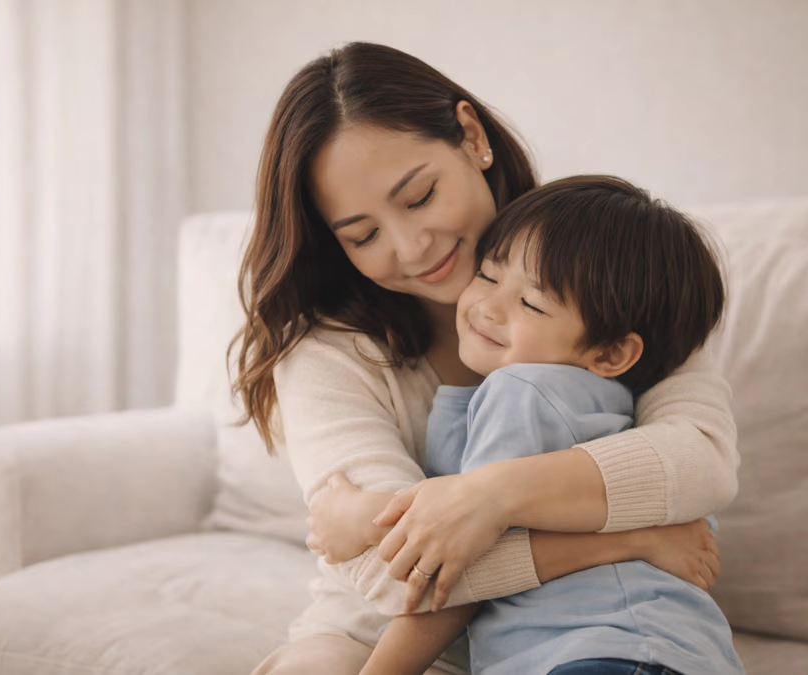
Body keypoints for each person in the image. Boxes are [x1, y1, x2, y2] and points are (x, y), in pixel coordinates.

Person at [232, 42, 739, 675]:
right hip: (379, 633)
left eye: (419, 197)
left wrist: (488, 497)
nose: (413, 247)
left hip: (578, 630)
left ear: (471, 136)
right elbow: (396, 577)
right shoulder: (324, 352)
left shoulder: (605, 266)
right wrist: (634, 537)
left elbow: (702, 463)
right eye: (363, 235)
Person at [352, 175, 743, 675]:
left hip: (604, 654)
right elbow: (442, 518)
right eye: (489, 276)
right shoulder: (509, 396)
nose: (488, 306)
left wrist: (352, 518)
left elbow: (451, 573)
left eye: (532, 303)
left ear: (611, 353)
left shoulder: (527, 392)